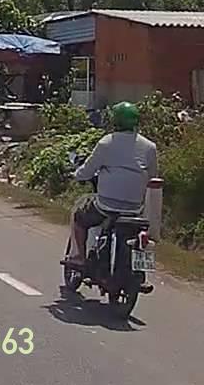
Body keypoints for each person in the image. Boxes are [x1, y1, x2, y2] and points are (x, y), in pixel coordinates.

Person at [64, 101, 158, 266]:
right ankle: (139, 266)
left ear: (115, 121)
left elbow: (88, 170)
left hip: (105, 206)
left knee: (78, 215)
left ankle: (79, 257)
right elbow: (153, 176)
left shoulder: (106, 143)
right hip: (135, 209)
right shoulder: (150, 147)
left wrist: (77, 175)